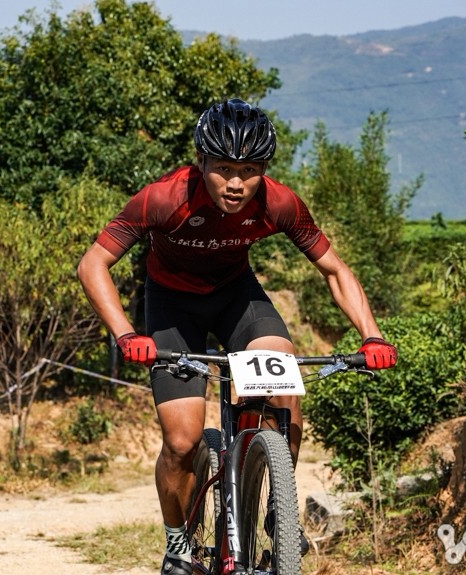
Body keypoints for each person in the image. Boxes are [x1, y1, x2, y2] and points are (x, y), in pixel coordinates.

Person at [77, 98, 397, 575]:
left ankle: (276, 504)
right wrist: (126, 334)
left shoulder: (279, 202)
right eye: (223, 168)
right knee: (183, 442)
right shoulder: (163, 199)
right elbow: (93, 264)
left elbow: (333, 270)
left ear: (263, 170)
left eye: (248, 170)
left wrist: (372, 336)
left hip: (236, 298)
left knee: (280, 378)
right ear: (200, 162)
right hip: (172, 304)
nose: (235, 182)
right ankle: (179, 543)